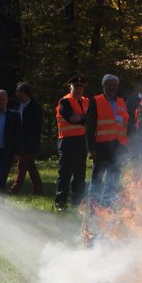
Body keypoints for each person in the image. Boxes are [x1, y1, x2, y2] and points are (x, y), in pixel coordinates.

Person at [86, 74, 131, 207]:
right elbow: (89, 127)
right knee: (98, 177)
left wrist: (126, 145)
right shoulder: (95, 101)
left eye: (114, 85)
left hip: (118, 147)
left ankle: (107, 204)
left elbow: (126, 125)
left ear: (117, 87)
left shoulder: (121, 102)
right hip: (101, 147)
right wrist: (91, 149)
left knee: (114, 177)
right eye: (109, 85)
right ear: (103, 86)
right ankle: (94, 205)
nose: (111, 87)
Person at [54, 75, 90, 211]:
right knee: (65, 174)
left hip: (82, 141)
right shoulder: (65, 101)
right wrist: (85, 118)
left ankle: (78, 203)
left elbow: (88, 118)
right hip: (67, 142)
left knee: (80, 174)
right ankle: (60, 202)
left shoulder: (87, 101)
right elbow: (72, 118)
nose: (79, 89)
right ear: (71, 87)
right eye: (76, 87)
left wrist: (81, 118)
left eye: (81, 87)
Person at [8, 82, 43, 195]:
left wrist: (21, 134)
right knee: (30, 167)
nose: (16, 94)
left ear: (24, 93)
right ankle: (38, 189)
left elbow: (34, 127)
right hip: (19, 141)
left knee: (21, 166)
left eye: (18, 92)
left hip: (29, 143)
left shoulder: (35, 107)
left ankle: (14, 189)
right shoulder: (17, 105)